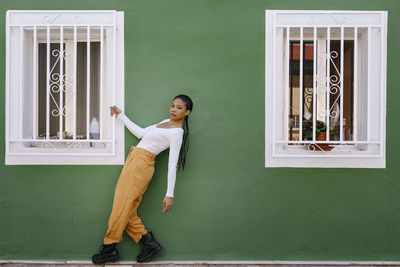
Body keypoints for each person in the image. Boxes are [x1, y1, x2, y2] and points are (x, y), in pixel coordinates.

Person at [92, 94, 193, 264]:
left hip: (142, 165)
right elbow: (141, 133)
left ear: (187, 112)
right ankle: (148, 243)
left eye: (179, 108)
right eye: (173, 105)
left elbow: (172, 165)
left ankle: (109, 247)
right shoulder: (164, 122)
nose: (174, 110)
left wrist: (170, 194)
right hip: (134, 161)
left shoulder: (177, 133)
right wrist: (120, 115)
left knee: (121, 205)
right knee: (127, 209)